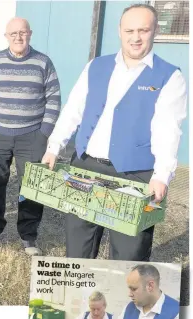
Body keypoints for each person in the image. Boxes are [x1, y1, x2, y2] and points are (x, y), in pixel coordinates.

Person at [42, 4, 188, 261]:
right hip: (86, 166)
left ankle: (123, 300)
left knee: (129, 253)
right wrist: (54, 146)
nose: (136, 37)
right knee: (78, 246)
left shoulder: (169, 76)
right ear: (119, 31)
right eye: (129, 30)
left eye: (143, 30)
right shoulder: (96, 66)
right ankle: (78, 297)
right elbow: (73, 109)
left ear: (154, 31)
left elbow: (168, 128)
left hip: (135, 173)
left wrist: (162, 175)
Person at [0, 17, 61, 254]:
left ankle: (28, 235)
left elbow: (54, 99)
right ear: (6, 36)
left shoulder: (43, 62)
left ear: (30, 34)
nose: (18, 37)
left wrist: (43, 133)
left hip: (31, 136)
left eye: (22, 33)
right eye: (13, 34)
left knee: (32, 187)